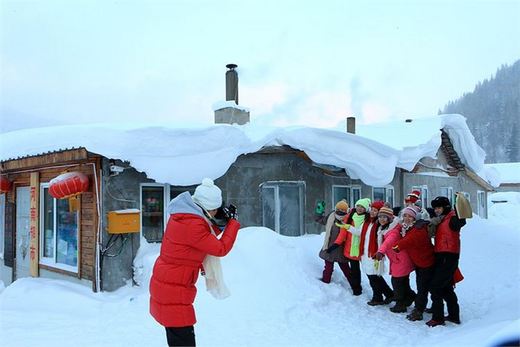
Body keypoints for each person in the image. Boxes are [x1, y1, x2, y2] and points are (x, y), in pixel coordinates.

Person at [149, 178, 240, 346]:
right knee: (183, 341)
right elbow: (220, 248)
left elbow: (202, 238)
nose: (214, 214)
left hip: (168, 284)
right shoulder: (193, 225)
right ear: (206, 208)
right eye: (214, 210)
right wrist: (233, 224)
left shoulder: (185, 216)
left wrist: (222, 224)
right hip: (174, 289)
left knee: (178, 338)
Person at [426, 196, 466, 327]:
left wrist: (460, 214)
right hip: (441, 255)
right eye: (435, 208)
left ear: (446, 207)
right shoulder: (442, 219)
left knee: (435, 286)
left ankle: (438, 318)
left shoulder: (452, 217)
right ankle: (454, 315)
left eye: (439, 207)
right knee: (446, 287)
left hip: (448, 257)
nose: (437, 210)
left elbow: (459, 223)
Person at [392, 206, 435, 321]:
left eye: (410, 216)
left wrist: (396, 246)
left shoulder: (418, 229)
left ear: (415, 218)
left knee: (423, 287)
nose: (407, 218)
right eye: (405, 216)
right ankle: (433, 306)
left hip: (426, 263)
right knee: (426, 286)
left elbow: (408, 240)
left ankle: (419, 310)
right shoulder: (408, 228)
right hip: (419, 262)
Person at [375, 207, 416, 313]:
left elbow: (388, 242)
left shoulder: (393, 231)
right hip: (399, 260)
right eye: (380, 217)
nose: (382, 219)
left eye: (384, 217)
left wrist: (380, 252)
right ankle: (410, 297)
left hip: (400, 260)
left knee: (397, 283)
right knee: (403, 282)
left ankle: (400, 304)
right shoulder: (384, 229)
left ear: (389, 218)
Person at [328, 198, 371, 295]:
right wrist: (336, 244)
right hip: (350, 248)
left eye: (362, 207)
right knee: (354, 270)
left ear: (366, 209)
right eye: (358, 206)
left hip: (362, 248)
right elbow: (343, 233)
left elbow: (360, 233)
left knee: (369, 271)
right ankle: (356, 289)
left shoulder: (367, 219)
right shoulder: (350, 216)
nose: (359, 208)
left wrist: (347, 227)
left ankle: (376, 290)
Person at [361, 203, 396, 305]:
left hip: (375, 254)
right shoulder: (367, 222)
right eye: (371, 209)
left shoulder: (379, 225)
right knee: (373, 276)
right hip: (365, 253)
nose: (372, 212)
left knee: (374, 276)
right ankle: (389, 294)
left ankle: (378, 297)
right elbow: (360, 233)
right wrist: (348, 227)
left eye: (375, 210)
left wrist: (380, 252)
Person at [315, 200, 352, 284]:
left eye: (343, 210)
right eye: (339, 209)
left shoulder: (349, 219)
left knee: (346, 269)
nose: (341, 211)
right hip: (329, 247)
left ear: (347, 211)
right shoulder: (331, 216)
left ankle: (354, 285)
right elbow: (319, 219)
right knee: (328, 267)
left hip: (342, 249)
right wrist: (319, 211)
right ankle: (325, 283)